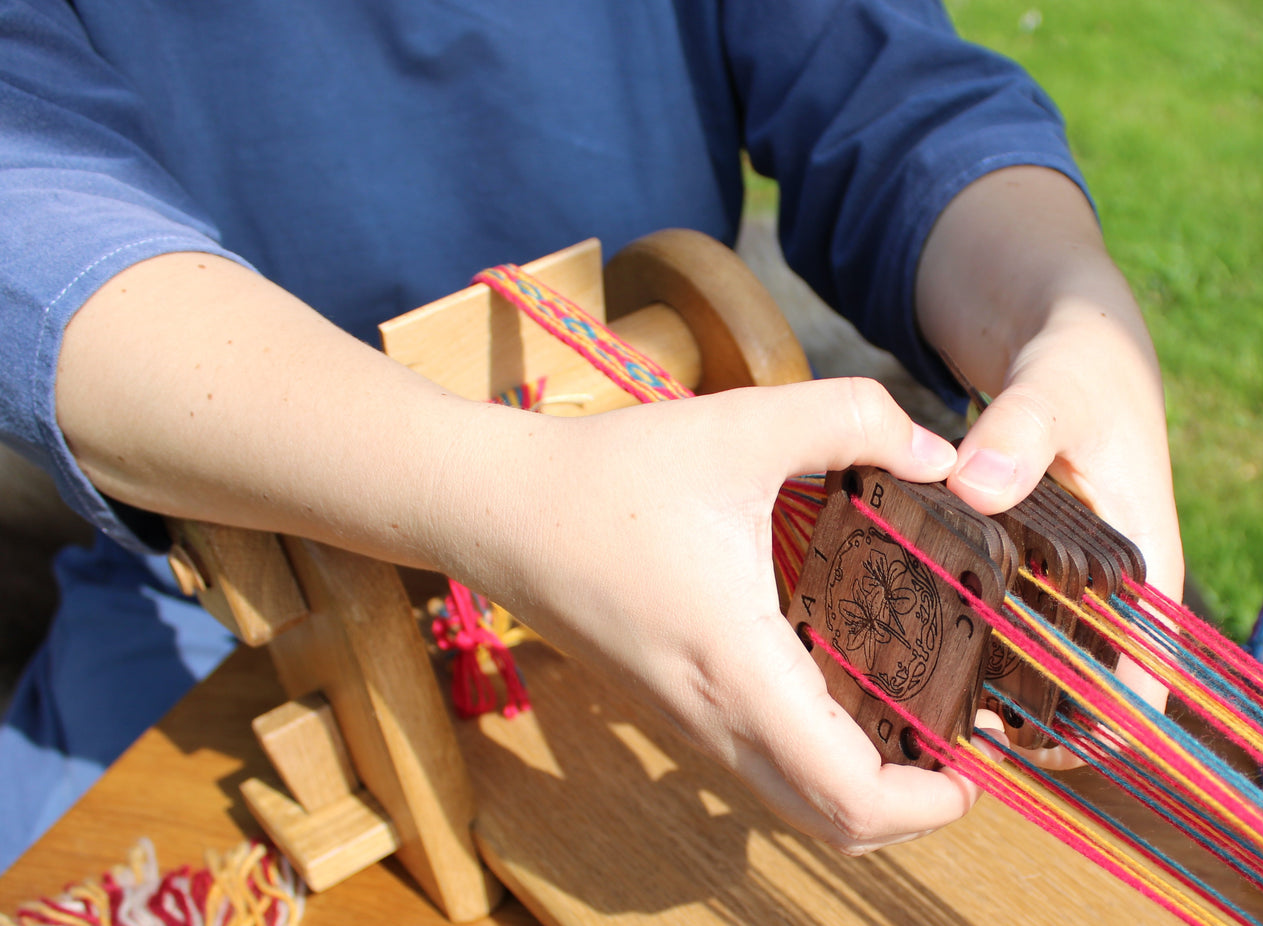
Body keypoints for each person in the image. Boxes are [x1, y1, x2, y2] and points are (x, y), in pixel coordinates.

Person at [0, 0, 1182, 868]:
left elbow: (879, 84)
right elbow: (28, 198)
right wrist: (496, 498)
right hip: (238, 607)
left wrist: (1065, 310)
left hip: (717, 562)